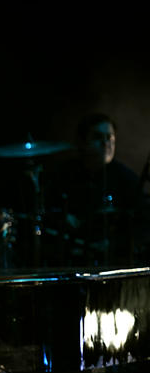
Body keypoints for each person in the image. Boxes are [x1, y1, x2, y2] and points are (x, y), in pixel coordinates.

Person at [46, 113, 149, 267]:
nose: (106, 143)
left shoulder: (126, 179)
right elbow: (46, 212)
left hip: (113, 262)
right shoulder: (63, 174)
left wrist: (116, 245)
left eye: (110, 137)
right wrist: (62, 218)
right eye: (98, 137)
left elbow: (143, 223)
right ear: (82, 142)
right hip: (68, 259)